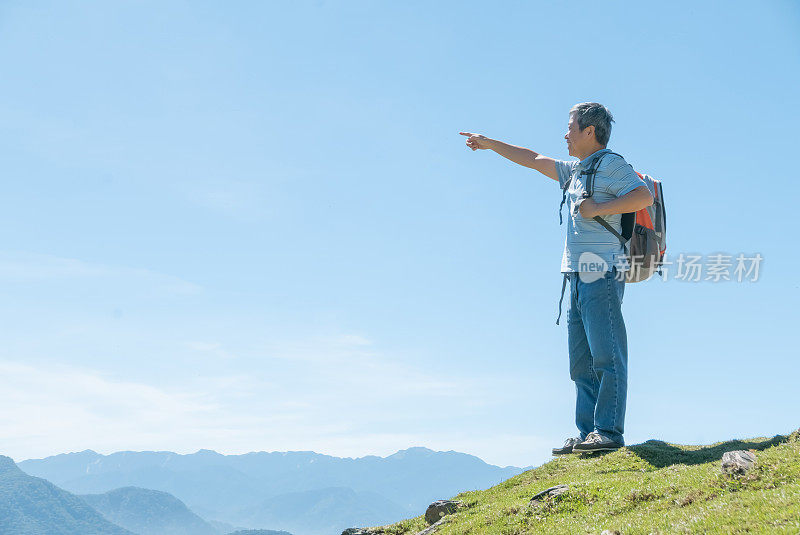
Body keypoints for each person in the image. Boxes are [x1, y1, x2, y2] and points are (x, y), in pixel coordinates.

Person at [459, 102, 653, 454]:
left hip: (602, 271)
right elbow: (533, 160)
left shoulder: (611, 164)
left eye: (570, 127)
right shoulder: (576, 170)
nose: (565, 134)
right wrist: (489, 143)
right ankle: (588, 434)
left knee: (607, 354)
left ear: (589, 131)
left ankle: (608, 432)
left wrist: (597, 208)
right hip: (575, 276)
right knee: (581, 361)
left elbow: (643, 194)